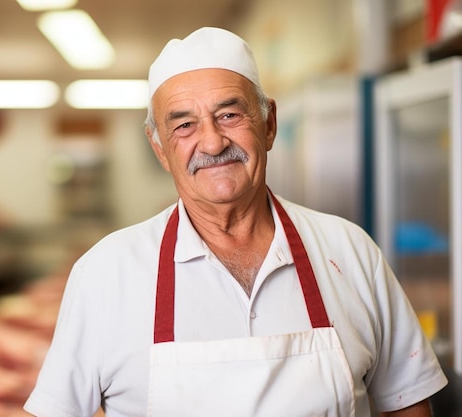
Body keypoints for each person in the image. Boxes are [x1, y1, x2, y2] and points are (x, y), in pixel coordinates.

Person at [24, 27, 448, 417]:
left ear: (269, 124)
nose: (211, 141)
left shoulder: (350, 252)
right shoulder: (106, 273)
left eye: (230, 115)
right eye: (184, 125)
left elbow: (407, 404)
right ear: (159, 148)